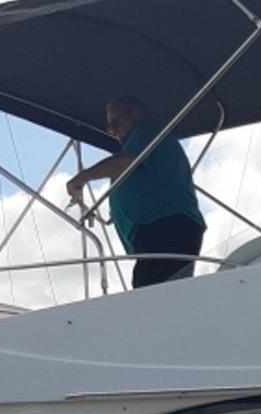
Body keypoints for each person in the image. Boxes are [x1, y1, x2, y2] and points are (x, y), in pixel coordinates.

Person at [66, 95, 206, 288]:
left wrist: (82, 177)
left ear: (135, 112)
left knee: (149, 293)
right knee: (161, 291)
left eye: (116, 123)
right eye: (110, 127)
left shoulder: (145, 131)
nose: (114, 131)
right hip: (161, 229)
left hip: (165, 226)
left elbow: (128, 161)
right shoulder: (143, 141)